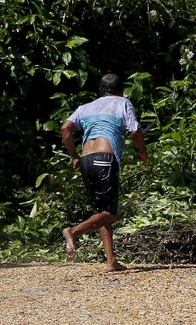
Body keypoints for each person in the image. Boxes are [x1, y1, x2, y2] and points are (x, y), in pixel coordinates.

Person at [60, 73, 149, 272]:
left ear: (101, 90)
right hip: (105, 160)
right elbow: (135, 130)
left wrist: (74, 156)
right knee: (110, 214)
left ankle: (111, 261)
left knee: (101, 212)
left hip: (86, 161)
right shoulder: (123, 103)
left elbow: (65, 129)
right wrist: (143, 154)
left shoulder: (85, 107)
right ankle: (73, 232)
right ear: (121, 90)